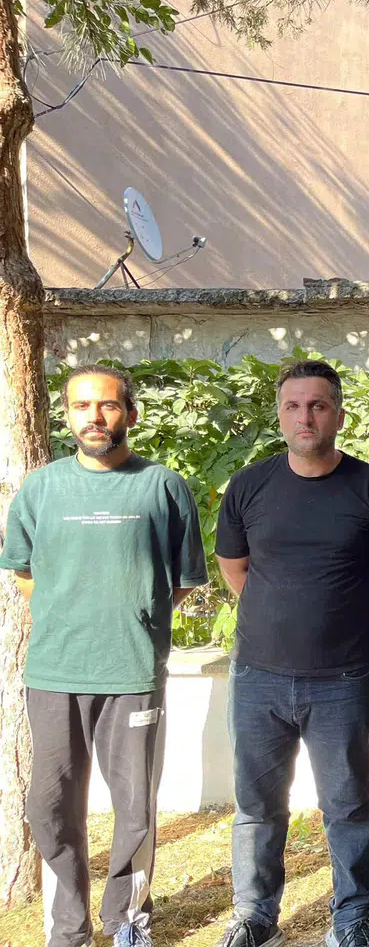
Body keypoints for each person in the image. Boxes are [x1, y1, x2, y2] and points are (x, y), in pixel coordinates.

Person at [0, 364, 207, 947]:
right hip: (55, 672)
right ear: (67, 415)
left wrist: (133, 615)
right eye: (81, 406)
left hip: (132, 671)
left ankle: (126, 922)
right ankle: (68, 928)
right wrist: (71, 613)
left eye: (108, 405)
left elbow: (182, 581)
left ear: (130, 415)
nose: (94, 416)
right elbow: (22, 571)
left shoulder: (163, 486)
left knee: (135, 807)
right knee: (50, 807)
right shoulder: (41, 488)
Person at [213, 359, 369, 947]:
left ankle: (350, 919)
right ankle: (256, 917)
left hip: (341, 680)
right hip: (258, 678)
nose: (306, 417)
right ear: (280, 415)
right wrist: (277, 615)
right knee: (257, 805)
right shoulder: (249, 486)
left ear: (339, 415)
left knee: (347, 804)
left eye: (318, 405)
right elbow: (234, 567)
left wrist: (347, 619)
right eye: (294, 406)